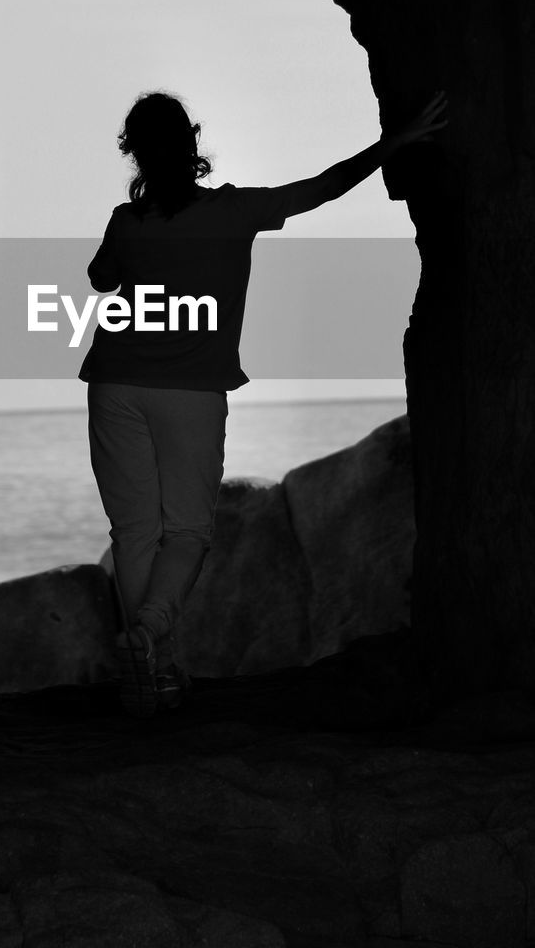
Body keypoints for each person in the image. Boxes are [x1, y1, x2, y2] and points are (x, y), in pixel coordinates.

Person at [79, 88, 448, 717]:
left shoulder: (125, 220)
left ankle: (153, 674)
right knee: (188, 530)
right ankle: (149, 637)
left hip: (114, 383)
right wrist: (397, 143)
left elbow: (100, 278)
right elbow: (325, 186)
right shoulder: (234, 211)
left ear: (135, 155)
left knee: (136, 531)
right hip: (190, 391)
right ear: (192, 145)